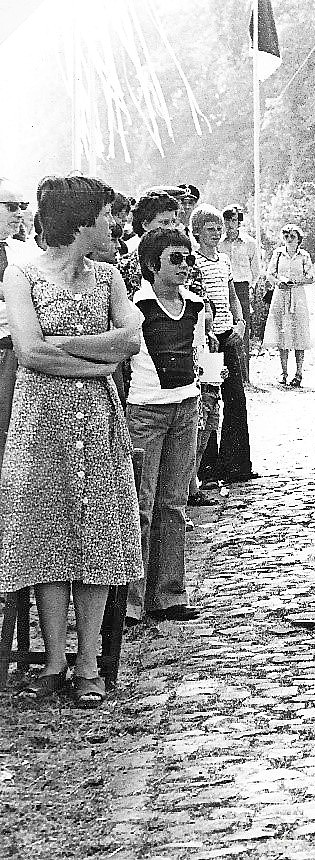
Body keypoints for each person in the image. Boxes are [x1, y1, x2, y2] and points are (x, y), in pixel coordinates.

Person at [0, 175, 144, 707]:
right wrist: (96, 358)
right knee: (47, 539)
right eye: (108, 216)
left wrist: (61, 344)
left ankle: (89, 667)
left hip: (99, 423)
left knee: (99, 538)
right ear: (82, 220)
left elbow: (130, 339)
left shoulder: (109, 278)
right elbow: (28, 352)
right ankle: (55, 661)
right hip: (40, 424)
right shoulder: (23, 275)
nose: (115, 225)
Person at [125, 228, 210, 624]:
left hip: (185, 408)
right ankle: (131, 602)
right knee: (140, 505)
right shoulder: (136, 307)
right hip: (146, 411)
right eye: (175, 259)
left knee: (173, 504)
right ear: (151, 264)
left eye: (189, 258)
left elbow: (198, 353)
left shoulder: (195, 305)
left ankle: (170, 594)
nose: (185, 266)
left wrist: (202, 392)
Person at [191, 205, 256, 484]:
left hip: (229, 335)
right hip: (208, 342)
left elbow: (232, 297)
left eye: (219, 228)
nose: (216, 234)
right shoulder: (193, 263)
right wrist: (208, 334)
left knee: (236, 399)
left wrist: (240, 322)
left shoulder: (224, 261)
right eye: (210, 229)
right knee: (208, 402)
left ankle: (237, 464)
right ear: (196, 233)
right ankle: (208, 466)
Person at [0, 177, 36, 462]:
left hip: (16, 354)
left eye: (22, 207)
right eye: (12, 206)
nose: (19, 214)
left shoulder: (27, 254)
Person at [264, 224, 314, 387]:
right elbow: (270, 274)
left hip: (298, 297)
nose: (289, 239)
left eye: (293, 236)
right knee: (283, 332)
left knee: (299, 333)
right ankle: (283, 372)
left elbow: (311, 277)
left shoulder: (304, 255)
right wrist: (279, 282)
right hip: (281, 296)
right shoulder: (278, 254)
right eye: (286, 236)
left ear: (299, 239)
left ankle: (299, 373)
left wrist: (297, 281)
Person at [220, 205, 263, 377]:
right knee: (224, 327)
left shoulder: (250, 243)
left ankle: (245, 374)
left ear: (239, 222)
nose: (230, 224)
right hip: (223, 287)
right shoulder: (219, 244)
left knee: (242, 328)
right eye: (227, 220)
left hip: (242, 288)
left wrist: (249, 288)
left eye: (234, 220)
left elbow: (256, 271)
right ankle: (227, 372)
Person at [118, 190, 181, 298]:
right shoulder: (125, 266)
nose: (171, 228)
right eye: (165, 222)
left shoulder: (186, 262)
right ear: (145, 225)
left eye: (173, 222)